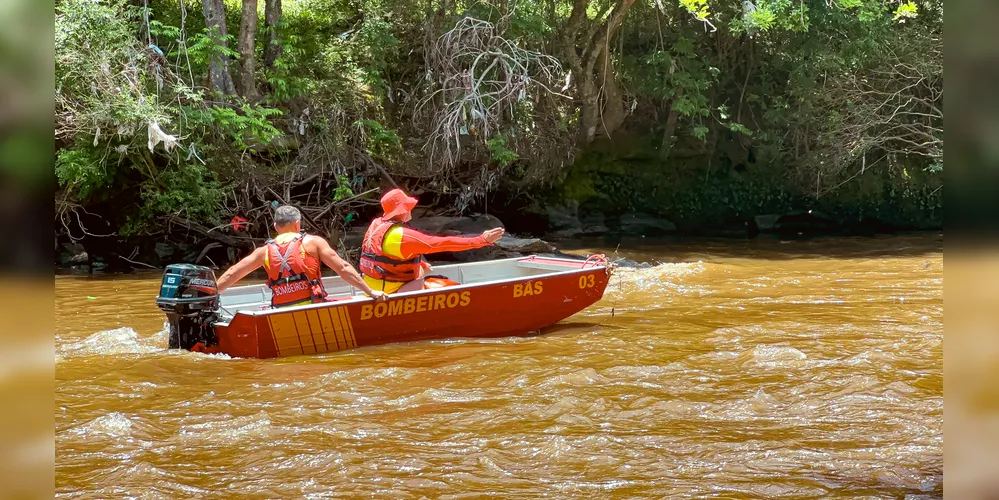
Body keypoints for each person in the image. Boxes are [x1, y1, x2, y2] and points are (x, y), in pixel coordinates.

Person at [216, 205, 387, 307]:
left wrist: (211, 294)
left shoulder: (263, 252)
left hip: (281, 310)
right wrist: (370, 291)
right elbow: (342, 268)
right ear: (298, 224)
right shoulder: (313, 243)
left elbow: (233, 273)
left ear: (275, 226)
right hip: (314, 308)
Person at [360, 188, 505, 294]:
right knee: (450, 288)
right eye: (408, 206)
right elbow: (443, 243)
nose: (411, 209)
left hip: (372, 289)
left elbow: (386, 255)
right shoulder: (402, 237)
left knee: (421, 269)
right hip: (390, 292)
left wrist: (419, 262)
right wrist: (481, 240)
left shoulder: (377, 226)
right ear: (403, 210)